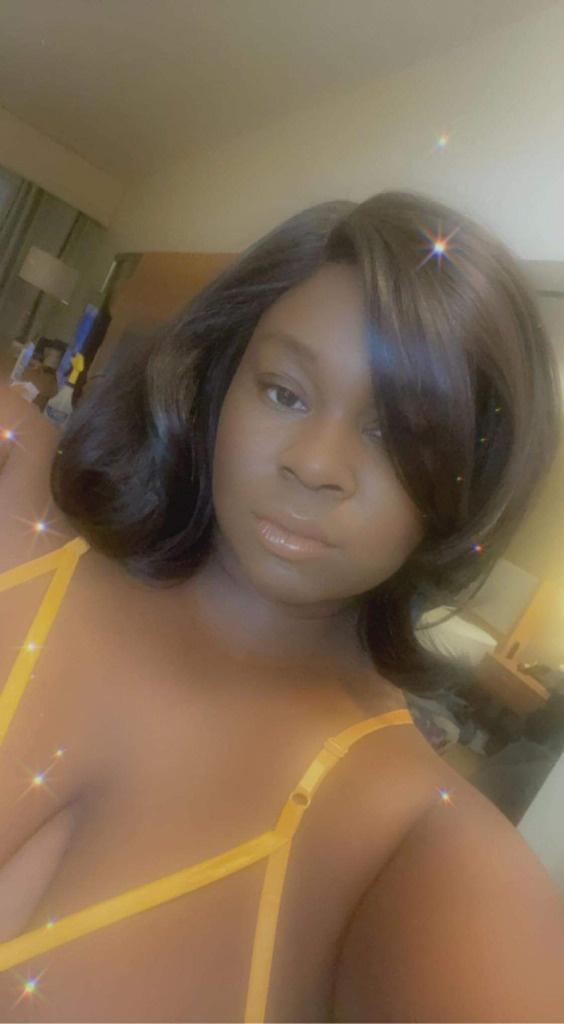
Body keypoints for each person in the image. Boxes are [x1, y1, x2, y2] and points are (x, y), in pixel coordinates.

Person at [0, 189, 563, 1022]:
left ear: (467, 485)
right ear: (221, 382)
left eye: (394, 433)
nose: (315, 464)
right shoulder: (16, 499)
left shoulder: (414, 845)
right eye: (285, 393)